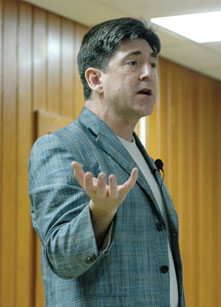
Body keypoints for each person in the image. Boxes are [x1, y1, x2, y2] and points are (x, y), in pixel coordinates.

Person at [28, 17, 185, 307]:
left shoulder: (141, 155)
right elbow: (61, 257)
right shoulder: (59, 147)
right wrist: (98, 214)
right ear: (95, 79)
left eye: (153, 64)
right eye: (133, 63)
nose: (148, 73)